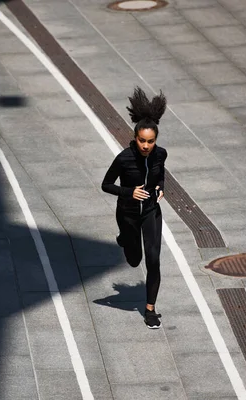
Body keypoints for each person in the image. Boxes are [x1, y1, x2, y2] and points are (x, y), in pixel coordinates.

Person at [101, 87, 168, 329]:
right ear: (135, 137)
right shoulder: (123, 159)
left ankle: (150, 310)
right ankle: (124, 239)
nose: (146, 146)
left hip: (151, 211)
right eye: (142, 140)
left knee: (153, 260)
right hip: (128, 213)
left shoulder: (160, 155)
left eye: (151, 141)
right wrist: (129, 192)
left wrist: (160, 187)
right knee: (134, 260)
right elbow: (106, 185)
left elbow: (160, 175)